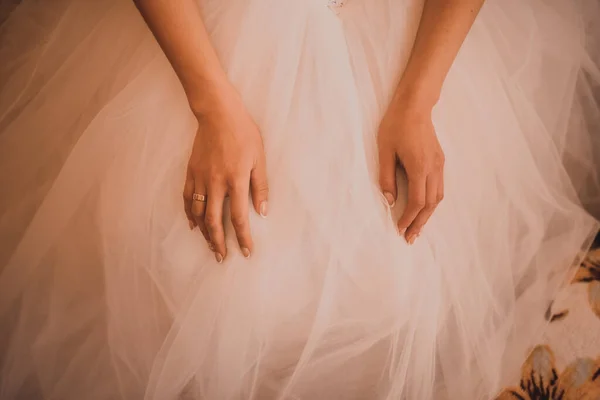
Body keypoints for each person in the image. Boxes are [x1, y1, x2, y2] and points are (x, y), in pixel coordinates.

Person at [0, 0, 599, 398]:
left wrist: (420, 96)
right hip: (213, 36)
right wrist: (212, 103)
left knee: (401, 270)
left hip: (406, 28)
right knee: (205, 268)